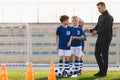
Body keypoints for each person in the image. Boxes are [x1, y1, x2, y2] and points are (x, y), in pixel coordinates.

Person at [84, 2, 114, 77]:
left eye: (99, 8)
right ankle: (101, 70)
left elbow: (106, 29)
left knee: (104, 55)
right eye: (98, 8)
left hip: (106, 38)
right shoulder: (100, 17)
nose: (98, 10)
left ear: (104, 7)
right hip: (100, 37)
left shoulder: (109, 17)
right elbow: (97, 26)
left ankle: (104, 73)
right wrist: (90, 30)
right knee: (97, 54)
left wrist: (97, 32)